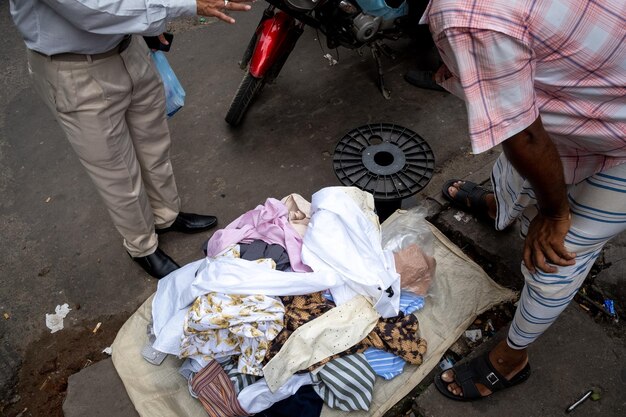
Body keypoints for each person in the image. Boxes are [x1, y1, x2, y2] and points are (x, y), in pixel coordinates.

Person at [420, 0, 626, 401]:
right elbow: (520, 128)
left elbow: (526, 138)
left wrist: (553, 213)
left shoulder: (468, 17)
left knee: (559, 252)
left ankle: (511, 360)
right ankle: (504, 207)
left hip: (615, 128)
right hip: (591, 88)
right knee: (517, 147)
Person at [9, 0, 253, 279]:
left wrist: (145, 27)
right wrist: (186, 5)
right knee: (117, 173)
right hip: (75, 67)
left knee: (154, 145)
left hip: (129, 45)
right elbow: (93, 10)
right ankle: (142, 246)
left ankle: (166, 216)